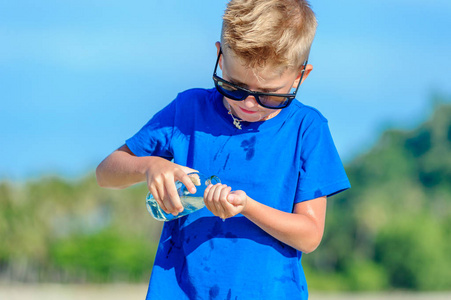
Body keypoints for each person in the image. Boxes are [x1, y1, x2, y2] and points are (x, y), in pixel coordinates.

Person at [96, 0, 350, 299]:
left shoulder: (307, 129)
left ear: (300, 76)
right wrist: (149, 166)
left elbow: (308, 236)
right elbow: (107, 172)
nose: (248, 104)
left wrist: (246, 206)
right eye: (234, 86)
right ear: (219, 55)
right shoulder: (187, 110)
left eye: (268, 95)